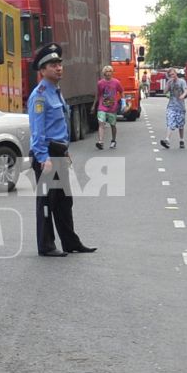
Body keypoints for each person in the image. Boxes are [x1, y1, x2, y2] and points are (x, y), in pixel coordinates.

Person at [28, 46, 95, 257]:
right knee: (47, 202)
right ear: (42, 70)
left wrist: (65, 151)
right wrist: (42, 157)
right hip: (47, 154)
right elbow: (37, 130)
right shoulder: (39, 96)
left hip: (58, 152)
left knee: (65, 200)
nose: (59, 68)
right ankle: (46, 245)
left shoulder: (56, 92)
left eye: (59, 64)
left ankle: (70, 242)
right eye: (53, 65)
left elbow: (59, 127)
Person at [93, 65, 122, 150]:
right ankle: (100, 142)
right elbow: (98, 95)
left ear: (112, 73)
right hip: (102, 107)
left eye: (110, 72)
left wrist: (123, 102)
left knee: (113, 125)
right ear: (104, 74)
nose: (108, 73)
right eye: (106, 72)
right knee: (101, 123)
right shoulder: (100, 83)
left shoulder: (116, 82)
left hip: (112, 108)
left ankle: (113, 141)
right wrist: (94, 105)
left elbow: (121, 91)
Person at [161, 68, 187, 149]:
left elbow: (186, 90)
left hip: (180, 107)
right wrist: (168, 84)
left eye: (173, 74)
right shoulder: (170, 82)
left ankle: (181, 140)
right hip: (171, 106)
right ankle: (167, 140)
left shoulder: (182, 81)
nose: (172, 76)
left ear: (176, 73)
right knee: (170, 122)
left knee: (181, 125)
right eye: (170, 75)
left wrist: (183, 95)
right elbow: (164, 92)